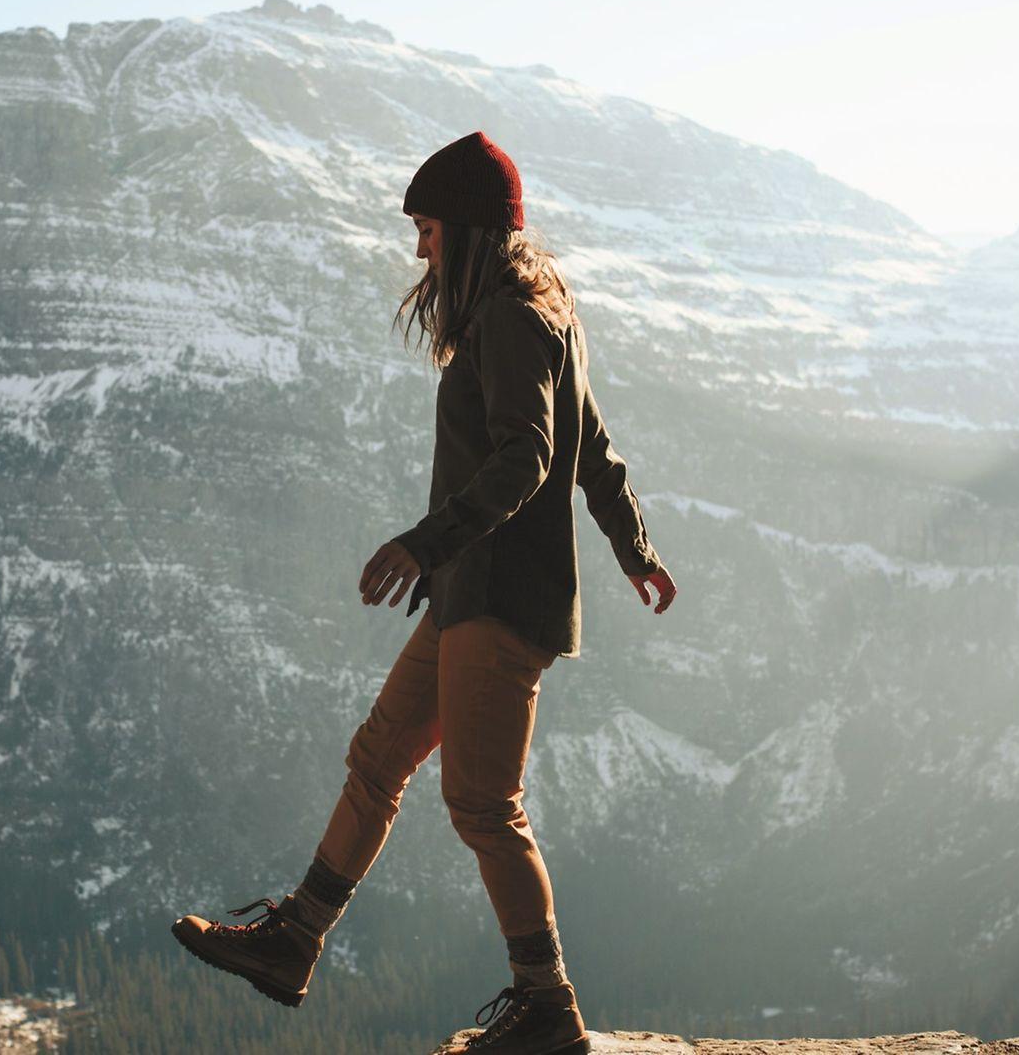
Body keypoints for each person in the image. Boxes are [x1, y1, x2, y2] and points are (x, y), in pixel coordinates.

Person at [172, 130, 678, 1055]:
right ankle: (294, 942)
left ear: (475, 232)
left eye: (430, 229)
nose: (420, 250)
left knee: (484, 806)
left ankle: (548, 1009)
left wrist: (423, 541)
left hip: (500, 600)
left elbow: (534, 455)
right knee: (376, 758)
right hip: (466, 595)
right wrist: (634, 549)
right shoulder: (538, 313)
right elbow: (593, 451)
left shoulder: (516, 321)